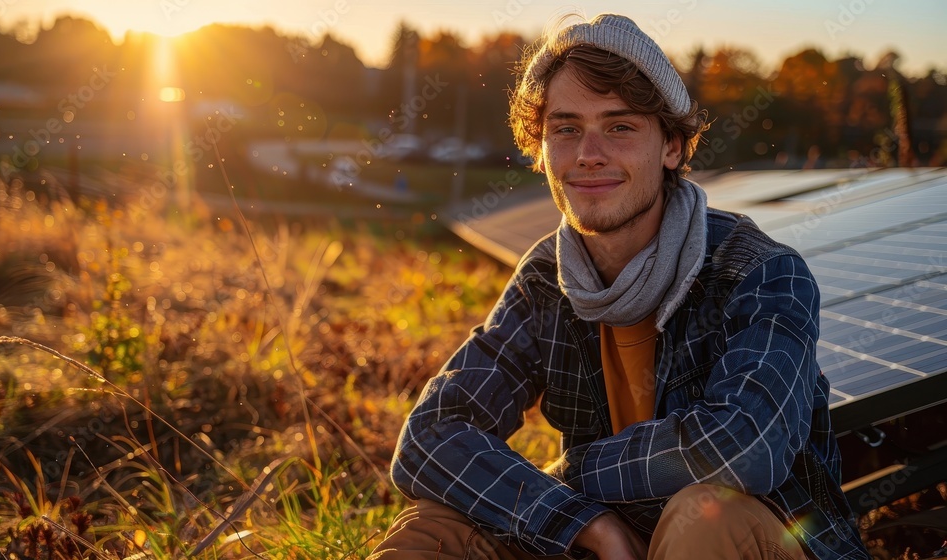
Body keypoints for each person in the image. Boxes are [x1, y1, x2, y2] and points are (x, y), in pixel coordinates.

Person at [369, 13, 869, 560]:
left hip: (753, 540)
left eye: (620, 126)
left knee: (703, 515)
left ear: (672, 146)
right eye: (565, 129)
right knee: (435, 528)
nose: (589, 153)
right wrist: (582, 523)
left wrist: (566, 477)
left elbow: (743, 448)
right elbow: (431, 436)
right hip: (609, 537)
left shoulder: (759, 271)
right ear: (541, 149)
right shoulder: (547, 279)